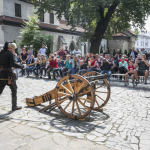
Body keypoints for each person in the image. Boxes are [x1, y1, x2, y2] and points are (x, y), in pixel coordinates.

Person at [0, 42, 24, 111]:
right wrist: (21, 66)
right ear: (10, 48)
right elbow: (13, 63)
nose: (14, 50)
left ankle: (14, 106)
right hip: (8, 75)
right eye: (13, 49)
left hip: (1, 74)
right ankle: (14, 106)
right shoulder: (10, 54)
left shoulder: (1, 53)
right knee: (14, 89)